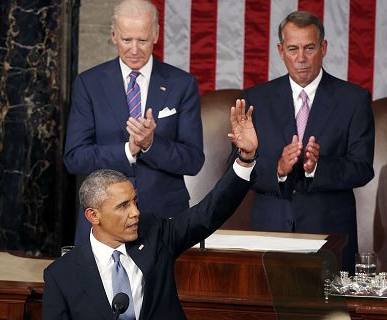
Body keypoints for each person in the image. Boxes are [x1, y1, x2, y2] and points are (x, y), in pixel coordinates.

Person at [43, 99, 258, 319]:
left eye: (134, 202)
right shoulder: (61, 275)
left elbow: (210, 212)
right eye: (123, 206)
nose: (135, 212)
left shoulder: (157, 235)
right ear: (93, 215)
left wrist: (245, 158)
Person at [240, 11, 374, 271]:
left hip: (329, 233)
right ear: (281, 51)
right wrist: (277, 169)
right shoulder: (257, 99)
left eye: (309, 48)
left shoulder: (353, 100)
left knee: (327, 313)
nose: (301, 58)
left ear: (323, 48)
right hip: (271, 233)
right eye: (293, 49)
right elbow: (235, 166)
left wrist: (317, 168)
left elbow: (362, 168)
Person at [64, 0, 204, 245]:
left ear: (156, 35)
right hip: (104, 222)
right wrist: (128, 150)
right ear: (114, 36)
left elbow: (193, 160)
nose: (135, 49)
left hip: (163, 220)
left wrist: (151, 144)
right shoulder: (89, 84)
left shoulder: (182, 84)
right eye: (127, 40)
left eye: (142, 40)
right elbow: (75, 158)